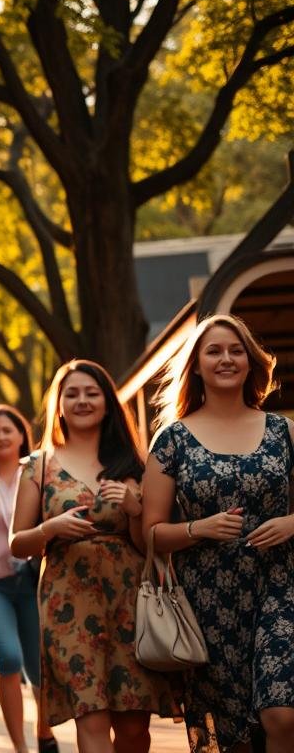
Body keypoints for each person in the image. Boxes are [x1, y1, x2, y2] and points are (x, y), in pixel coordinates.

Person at [8, 360, 178, 753]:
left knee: (133, 727)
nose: (82, 400)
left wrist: (134, 509)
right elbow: (17, 544)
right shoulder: (38, 466)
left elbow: (150, 544)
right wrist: (50, 530)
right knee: (91, 715)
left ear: (107, 402)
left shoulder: (135, 465)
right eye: (72, 394)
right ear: (59, 405)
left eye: (91, 392)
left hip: (130, 603)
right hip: (68, 602)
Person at [143, 314, 294, 752]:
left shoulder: (283, 431)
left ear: (250, 362)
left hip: (280, 584)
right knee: (230, 736)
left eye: (235, 350)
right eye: (214, 351)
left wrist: (291, 523)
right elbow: (150, 534)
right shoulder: (172, 440)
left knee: (282, 713)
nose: (226, 358)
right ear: (196, 365)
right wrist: (198, 528)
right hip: (207, 600)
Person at [0, 405, 56, 753]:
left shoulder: (39, 472)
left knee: (40, 669)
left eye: (8, 430)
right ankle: (20, 746)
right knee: (8, 658)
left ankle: (44, 733)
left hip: (33, 582)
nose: (1, 437)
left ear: (22, 434)